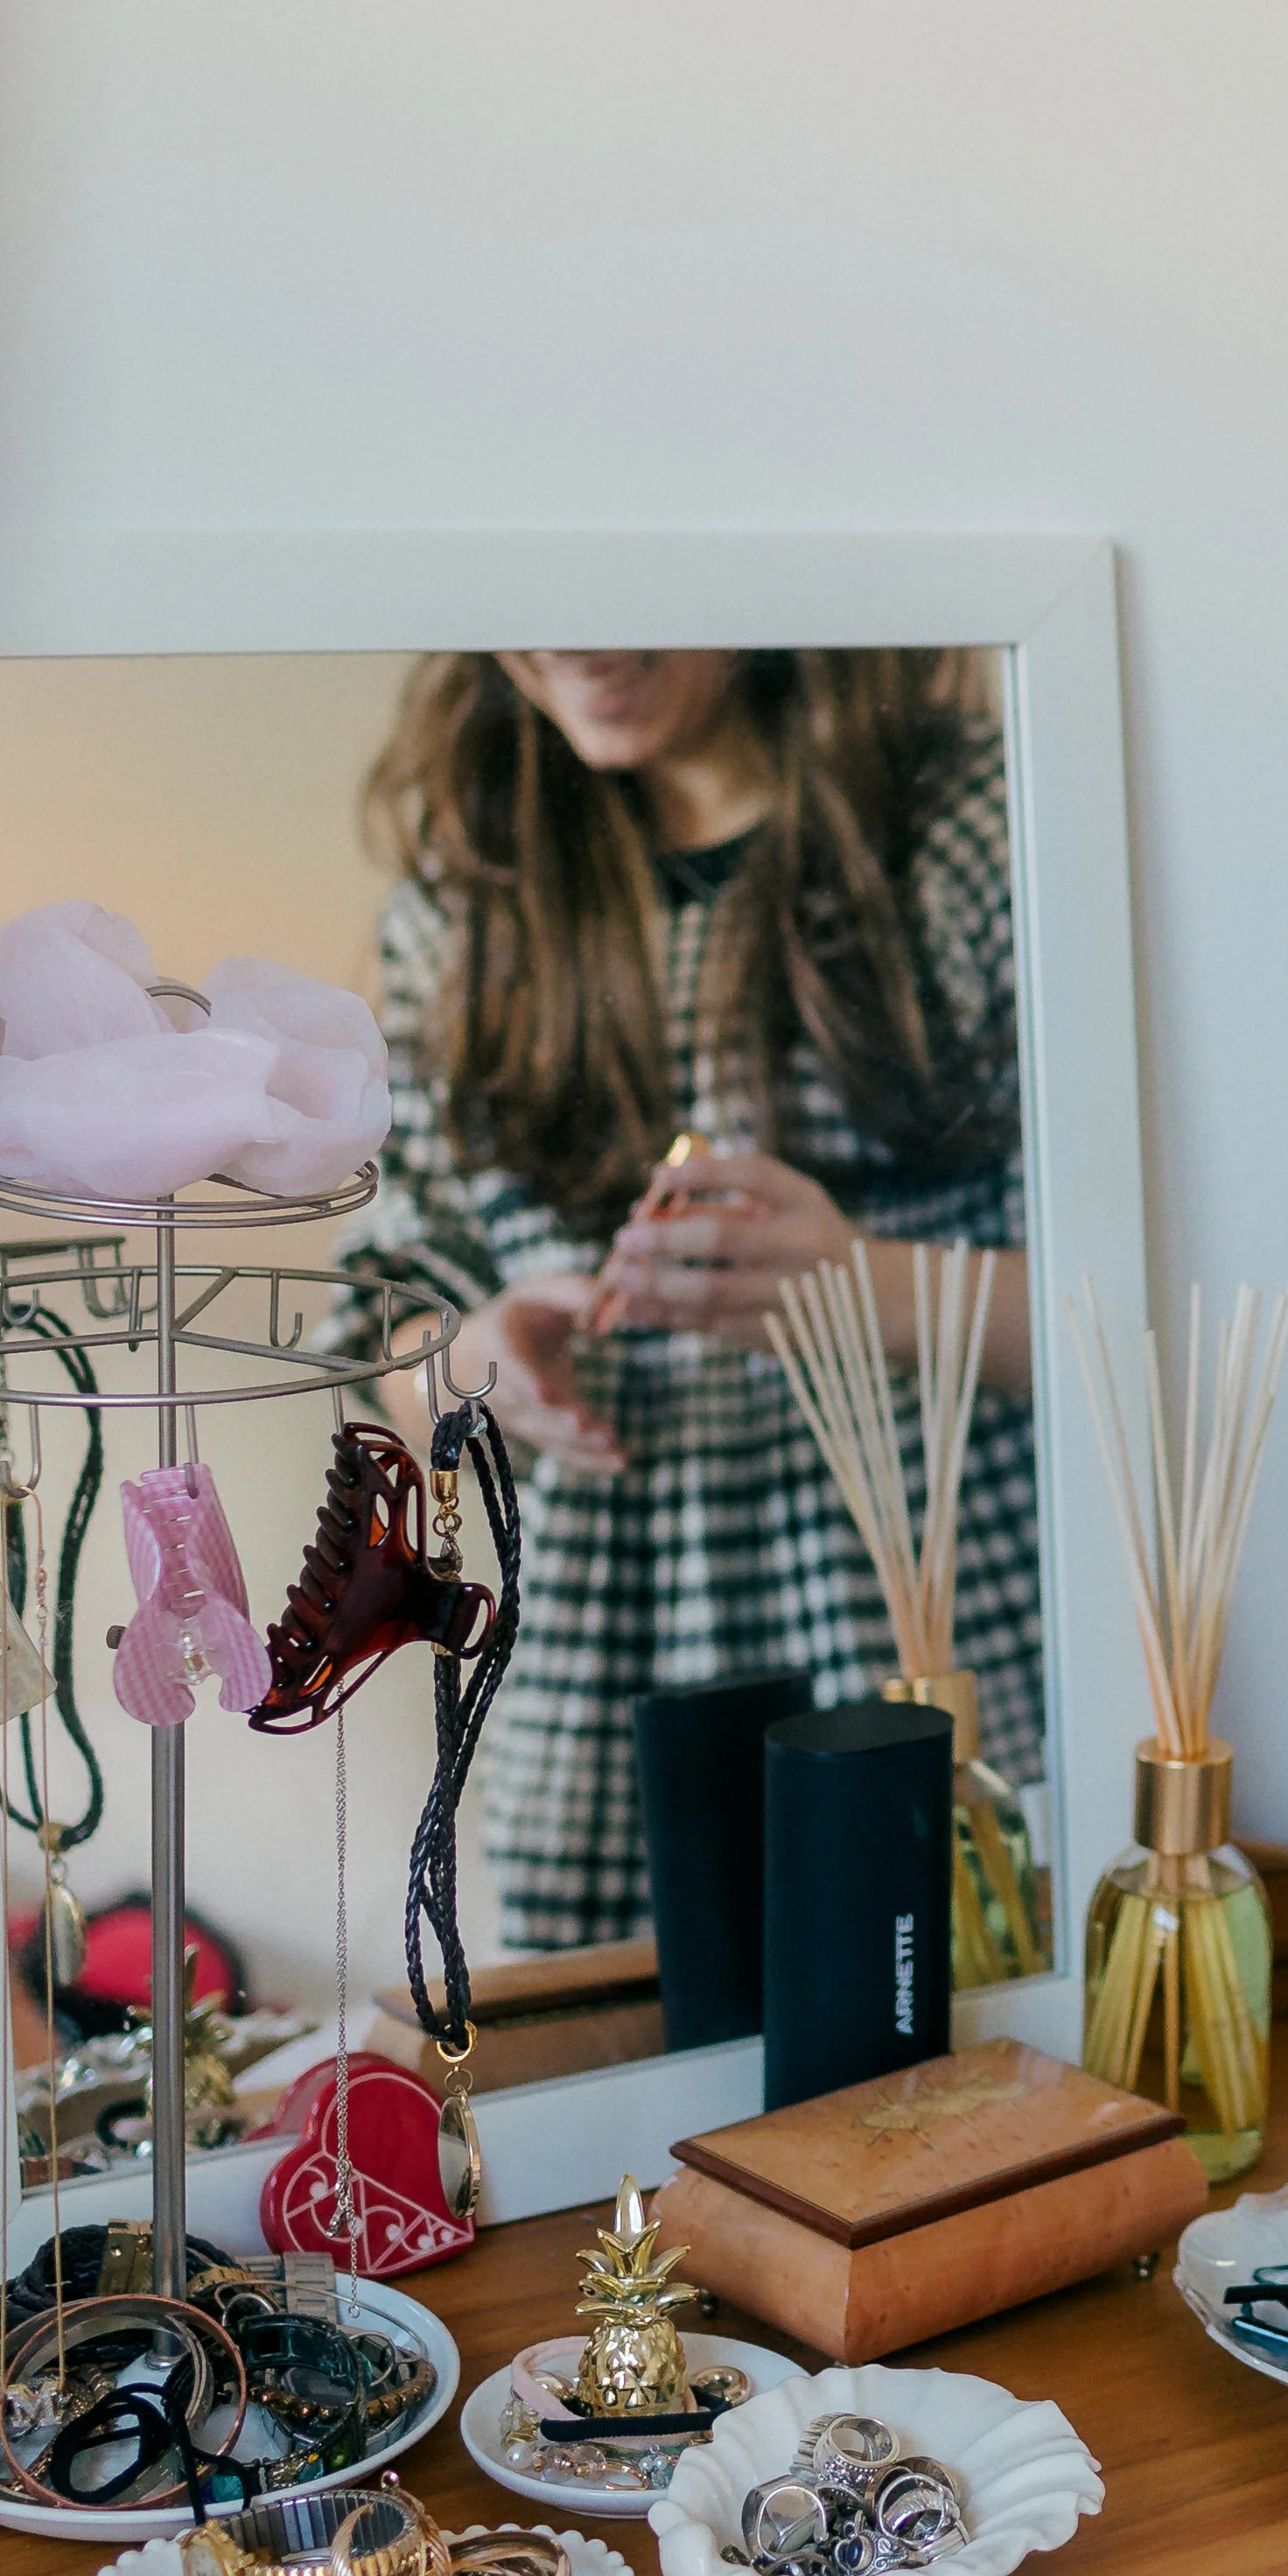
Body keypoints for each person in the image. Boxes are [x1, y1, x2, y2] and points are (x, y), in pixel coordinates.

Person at [341, 645, 1040, 1952]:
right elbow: (380, 1336)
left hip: (933, 1616)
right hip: (600, 1682)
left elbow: (1131, 1309)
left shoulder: (969, 831)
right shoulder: (465, 908)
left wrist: (864, 1292)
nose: (572, 639)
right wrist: (475, 1362)